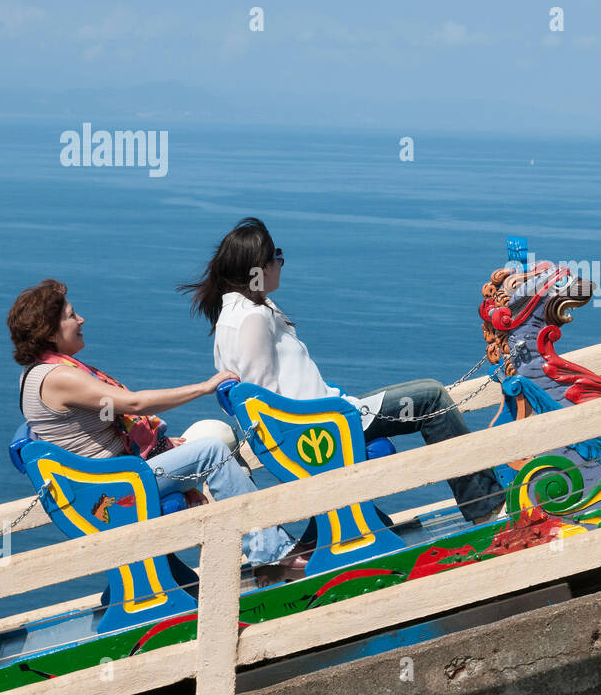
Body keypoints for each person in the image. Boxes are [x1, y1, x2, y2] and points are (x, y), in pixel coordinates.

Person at [180, 218, 505, 524]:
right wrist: (330, 407)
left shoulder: (233, 313)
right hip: (325, 426)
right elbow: (263, 397)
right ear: (258, 268)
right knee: (432, 398)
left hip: (326, 416)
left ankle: (373, 528)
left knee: (427, 395)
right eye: (275, 256)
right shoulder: (252, 318)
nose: (280, 263)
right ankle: (487, 508)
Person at [6, 279, 303, 581]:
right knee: (212, 452)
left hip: (107, 480)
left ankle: (204, 573)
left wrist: (161, 447)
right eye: (71, 315)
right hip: (114, 487)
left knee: (209, 441)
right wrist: (204, 387)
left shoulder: (35, 375)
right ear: (51, 331)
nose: (81, 320)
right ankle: (272, 553)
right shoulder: (58, 378)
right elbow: (133, 405)